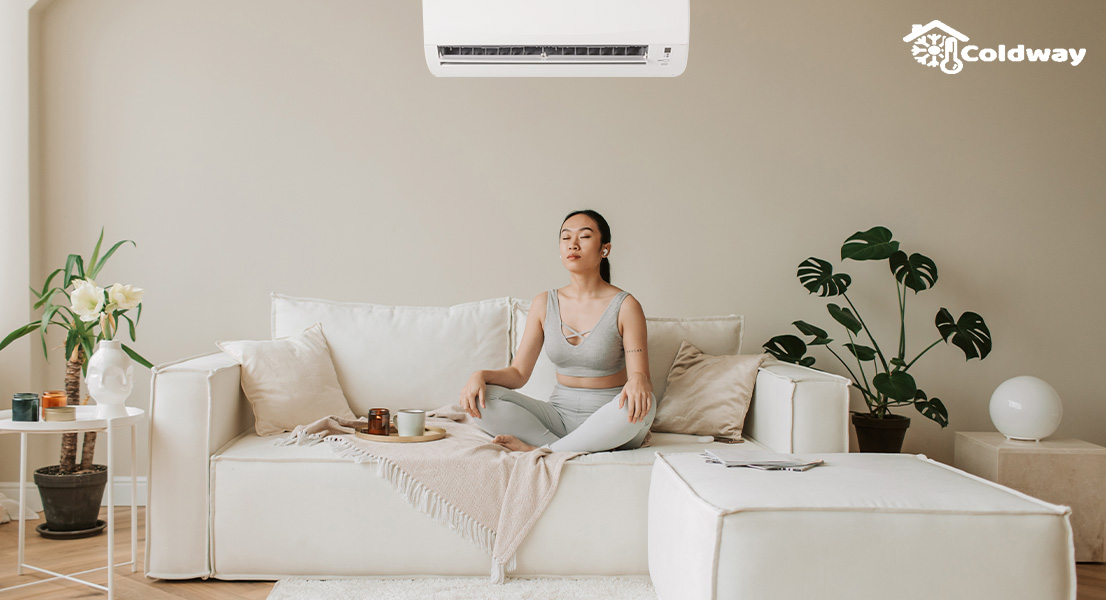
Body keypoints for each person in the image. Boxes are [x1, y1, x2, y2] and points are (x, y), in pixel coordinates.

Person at [459, 210, 656, 453]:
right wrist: (481, 375)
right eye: (566, 238)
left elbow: (640, 379)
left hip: (610, 416)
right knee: (484, 398)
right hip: (558, 417)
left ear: (604, 249)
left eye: (584, 237)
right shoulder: (544, 303)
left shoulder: (626, 305)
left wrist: (639, 379)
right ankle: (569, 448)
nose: (573, 244)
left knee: (645, 404)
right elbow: (518, 374)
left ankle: (545, 450)